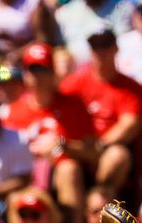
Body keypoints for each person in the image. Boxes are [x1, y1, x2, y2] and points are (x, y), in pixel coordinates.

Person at [2, 43, 97, 223]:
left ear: (53, 72)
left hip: (60, 175)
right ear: (25, 74)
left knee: (69, 169)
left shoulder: (73, 105)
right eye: (32, 70)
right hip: (27, 176)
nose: (37, 76)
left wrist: (61, 145)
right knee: (14, 194)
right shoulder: (12, 111)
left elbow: (93, 152)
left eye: (43, 70)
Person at [59, 29, 142, 193]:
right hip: (79, 146)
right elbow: (58, 111)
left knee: (117, 156)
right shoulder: (74, 83)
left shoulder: (131, 88)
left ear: (116, 49)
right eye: (95, 47)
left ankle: (98, 201)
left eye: (105, 46)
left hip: (107, 149)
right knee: (65, 165)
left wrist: (100, 146)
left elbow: (129, 125)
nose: (100, 52)